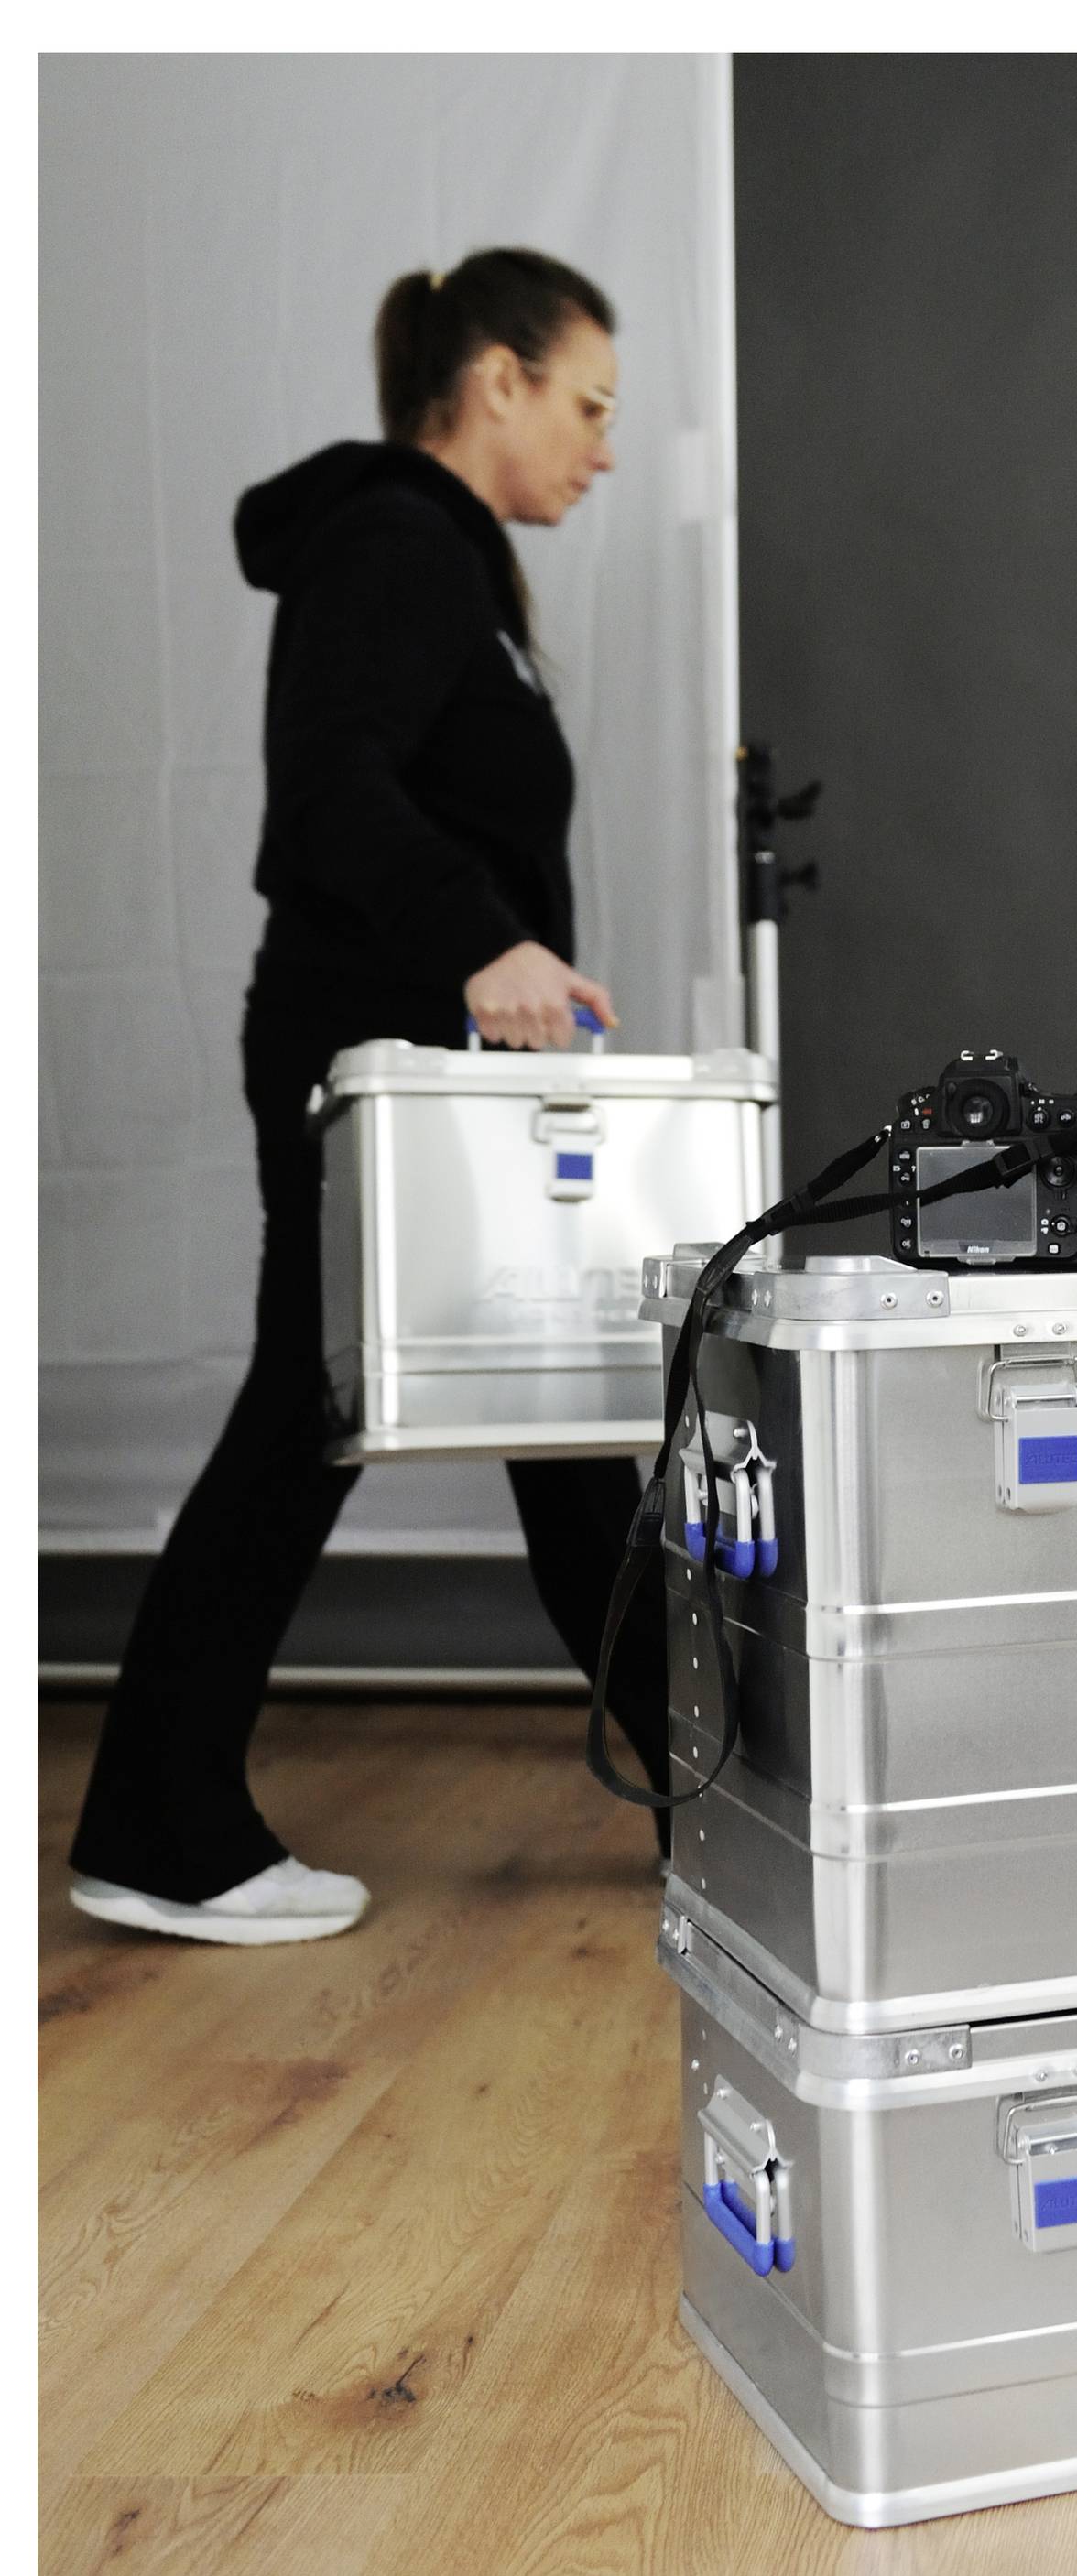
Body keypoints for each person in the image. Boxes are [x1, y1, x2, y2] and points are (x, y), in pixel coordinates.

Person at [69, 247, 670, 1947]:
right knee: (315, 1413)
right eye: (588, 404)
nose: (603, 448)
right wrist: (488, 942)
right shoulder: (398, 543)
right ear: (493, 378)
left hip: (447, 1075)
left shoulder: (444, 564)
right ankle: (157, 1825)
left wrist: (501, 971)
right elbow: (322, 795)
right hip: (379, 1060)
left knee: (559, 1421)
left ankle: (717, 1784)